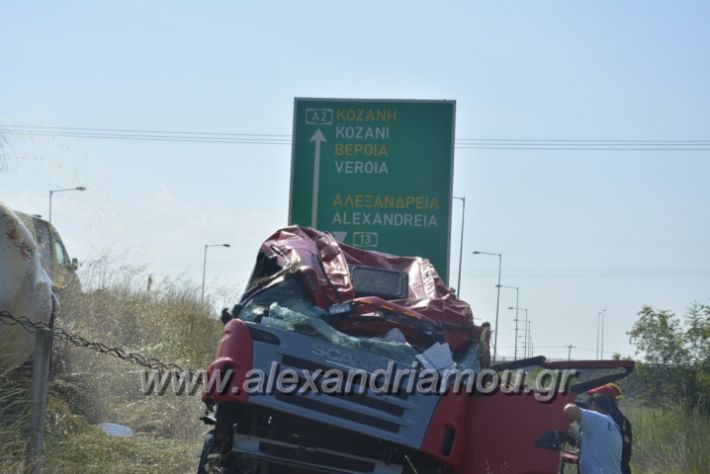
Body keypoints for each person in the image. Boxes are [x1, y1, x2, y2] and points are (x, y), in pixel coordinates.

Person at [564, 394, 622, 474]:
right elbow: (599, 447)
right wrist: (576, 436)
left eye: (588, 406)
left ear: (593, 404)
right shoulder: (613, 425)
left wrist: (561, 404)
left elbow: (570, 409)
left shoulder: (597, 418)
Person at [588, 383, 633, 474]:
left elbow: (581, 441)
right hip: (622, 469)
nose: (589, 403)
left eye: (593, 400)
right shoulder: (623, 420)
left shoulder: (600, 419)